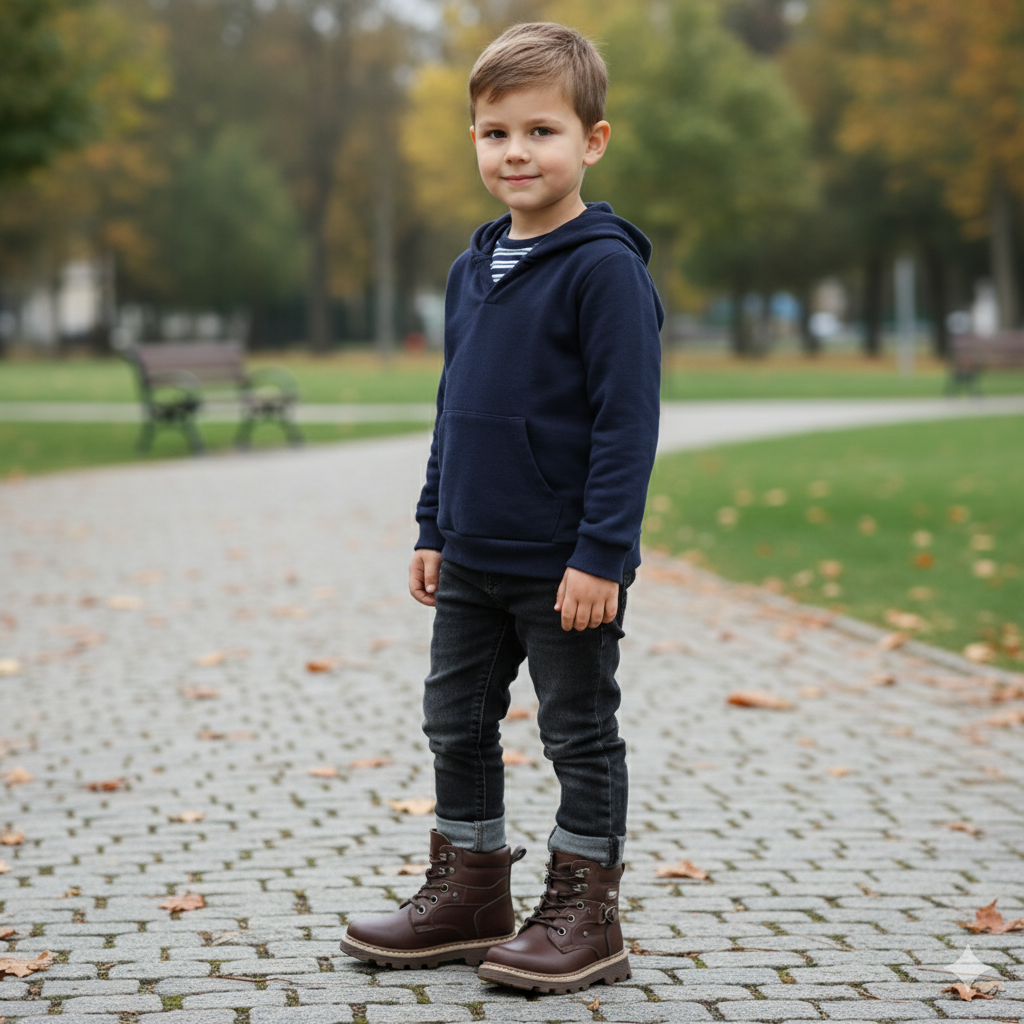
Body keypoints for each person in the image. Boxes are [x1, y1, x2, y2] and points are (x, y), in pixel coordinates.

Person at [340, 21, 663, 994]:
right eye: (494, 133)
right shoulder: (470, 267)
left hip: (565, 563)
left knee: (576, 730)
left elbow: (625, 424)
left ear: (591, 141)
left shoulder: (603, 269)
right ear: (473, 139)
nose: (515, 152)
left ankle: (584, 910)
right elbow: (455, 406)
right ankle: (471, 891)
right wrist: (433, 523)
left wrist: (602, 554)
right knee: (455, 719)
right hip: (474, 554)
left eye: (540, 131)